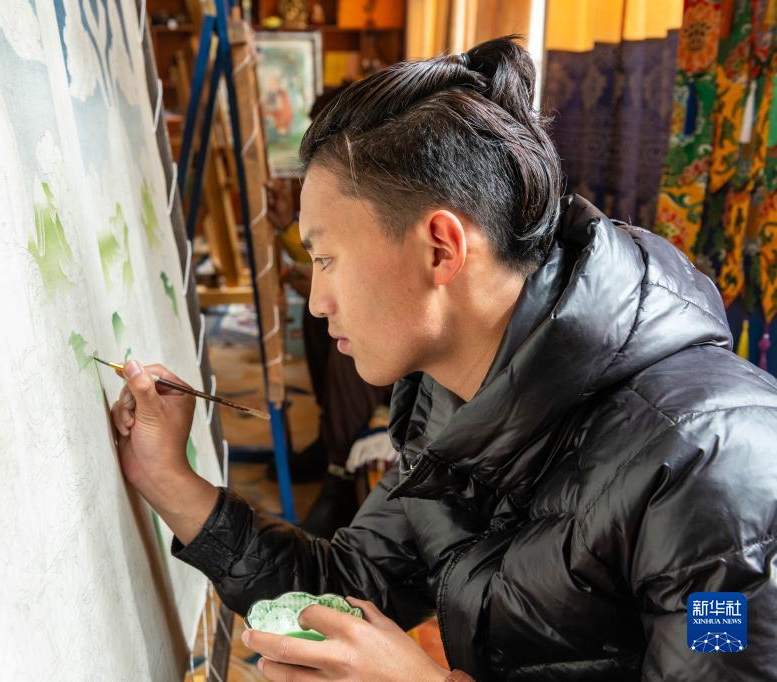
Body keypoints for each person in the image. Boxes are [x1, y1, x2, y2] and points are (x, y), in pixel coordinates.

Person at [110, 36, 777, 681]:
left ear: (440, 248)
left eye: (326, 258)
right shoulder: (452, 397)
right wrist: (167, 478)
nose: (315, 301)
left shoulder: (714, 467)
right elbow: (346, 587)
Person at [265, 84, 390, 539]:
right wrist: (289, 230)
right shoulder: (345, 185)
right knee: (318, 314)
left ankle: (339, 472)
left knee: (351, 328)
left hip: (405, 333)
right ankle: (329, 437)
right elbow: (337, 257)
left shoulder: (379, 182)